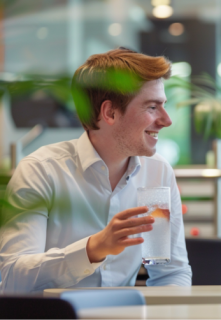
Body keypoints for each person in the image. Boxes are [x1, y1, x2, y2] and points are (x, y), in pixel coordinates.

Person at [0, 48, 192, 293]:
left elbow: (170, 272)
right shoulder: (41, 171)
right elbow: (13, 280)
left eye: (163, 106)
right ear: (110, 113)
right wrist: (92, 249)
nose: (166, 120)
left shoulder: (157, 172)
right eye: (152, 107)